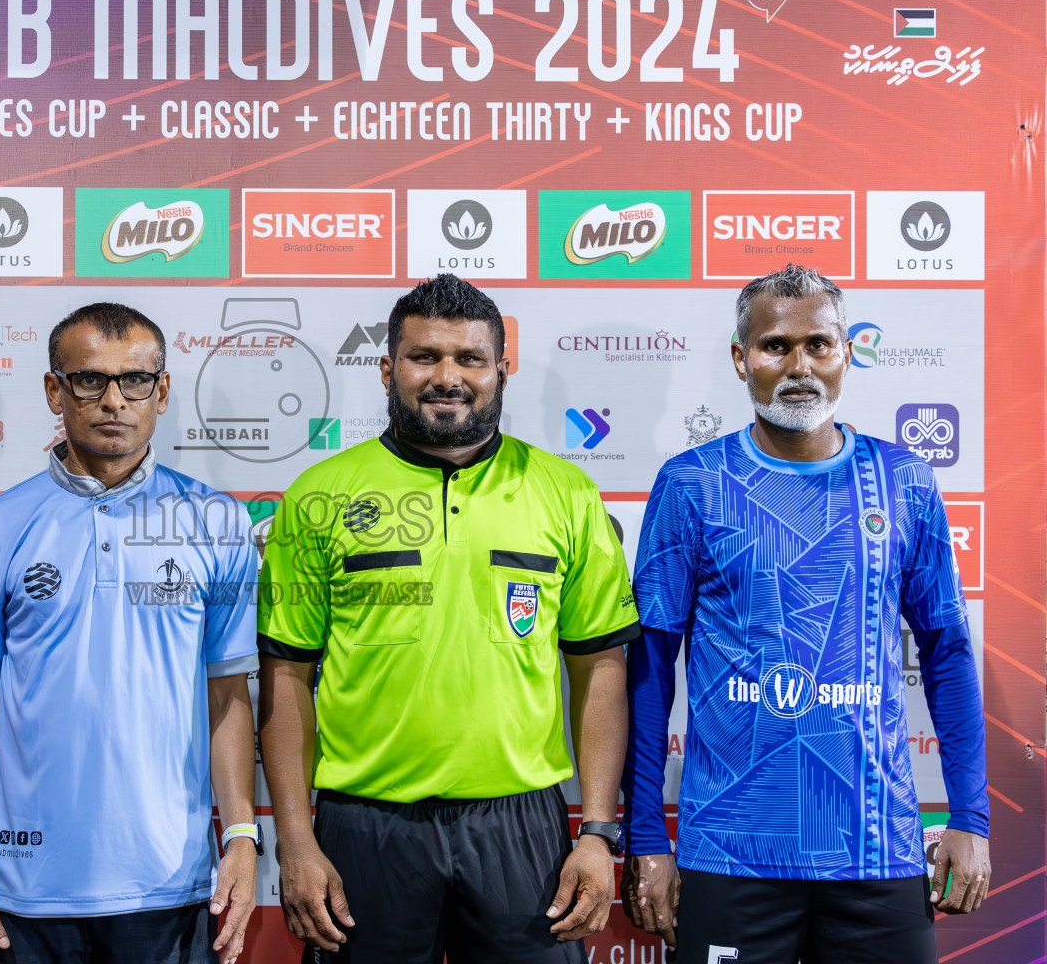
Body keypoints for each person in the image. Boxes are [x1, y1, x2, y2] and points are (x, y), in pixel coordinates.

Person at [258, 274, 639, 963]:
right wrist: (295, 840)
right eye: (424, 356)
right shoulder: (318, 497)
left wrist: (598, 831)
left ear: (501, 369)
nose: (447, 377)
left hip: (521, 824)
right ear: (386, 369)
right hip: (364, 825)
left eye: (469, 359)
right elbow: (285, 676)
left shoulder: (567, 494)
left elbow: (600, 670)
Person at [620, 264, 990, 963]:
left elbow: (945, 650)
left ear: (847, 352)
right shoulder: (693, 483)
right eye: (775, 346)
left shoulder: (903, 479)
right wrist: (645, 837)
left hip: (876, 851)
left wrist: (970, 817)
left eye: (819, 344)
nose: (799, 366)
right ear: (741, 359)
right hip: (731, 850)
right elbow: (648, 671)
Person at [0, 303, 259, 964]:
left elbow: (227, 695)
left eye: (135, 381)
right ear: (53, 391)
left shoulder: (218, 524)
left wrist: (240, 834)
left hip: (168, 882)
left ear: (164, 391)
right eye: (89, 381)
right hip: (24, 890)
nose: (114, 400)